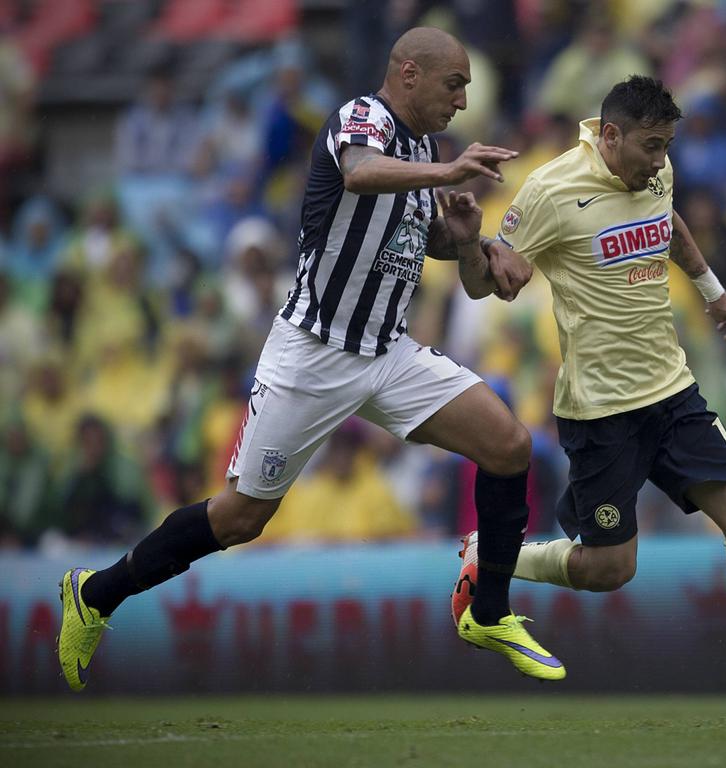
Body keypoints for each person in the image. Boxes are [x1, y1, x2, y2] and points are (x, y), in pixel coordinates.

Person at [57, 26, 564, 693]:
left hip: (386, 352)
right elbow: (360, 173)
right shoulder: (364, 119)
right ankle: (95, 594)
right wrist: (446, 172)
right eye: (454, 84)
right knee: (240, 518)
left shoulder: (421, 150)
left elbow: (460, 272)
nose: (463, 101)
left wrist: (471, 243)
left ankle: (488, 612)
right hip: (314, 355)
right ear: (408, 73)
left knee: (507, 445)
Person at [452, 75, 726, 720]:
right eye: (650, 146)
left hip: (673, 393)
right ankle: (488, 556)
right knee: (610, 569)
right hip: (600, 414)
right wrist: (474, 251)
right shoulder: (551, 191)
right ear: (610, 135)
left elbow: (668, 224)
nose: (661, 160)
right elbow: (490, 284)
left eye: (668, 146)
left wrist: (711, 288)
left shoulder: (652, 172)